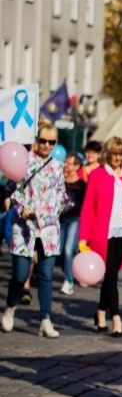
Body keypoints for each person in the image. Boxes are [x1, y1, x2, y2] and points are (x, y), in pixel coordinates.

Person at [1, 121, 66, 337]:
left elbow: (61, 194)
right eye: (43, 140)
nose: (47, 145)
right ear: (36, 140)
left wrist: (51, 212)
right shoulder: (25, 161)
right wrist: (22, 208)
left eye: (51, 141)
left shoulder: (57, 166)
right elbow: (13, 188)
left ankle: (45, 319)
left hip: (48, 228)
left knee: (46, 274)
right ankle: (10, 308)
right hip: (24, 228)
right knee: (20, 274)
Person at [79, 137, 122, 337]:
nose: (118, 158)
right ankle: (117, 318)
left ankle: (101, 312)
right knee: (111, 275)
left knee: (111, 275)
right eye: (115, 153)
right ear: (108, 154)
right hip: (103, 234)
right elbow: (87, 207)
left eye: (121, 154)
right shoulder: (97, 174)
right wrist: (82, 238)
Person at [58, 153, 87, 295]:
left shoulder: (82, 185)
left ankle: (68, 281)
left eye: (69, 163)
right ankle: (69, 274)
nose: (66, 165)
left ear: (77, 166)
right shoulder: (59, 181)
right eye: (65, 162)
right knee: (60, 251)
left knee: (69, 250)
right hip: (60, 219)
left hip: (74, 220)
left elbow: (86, 205)